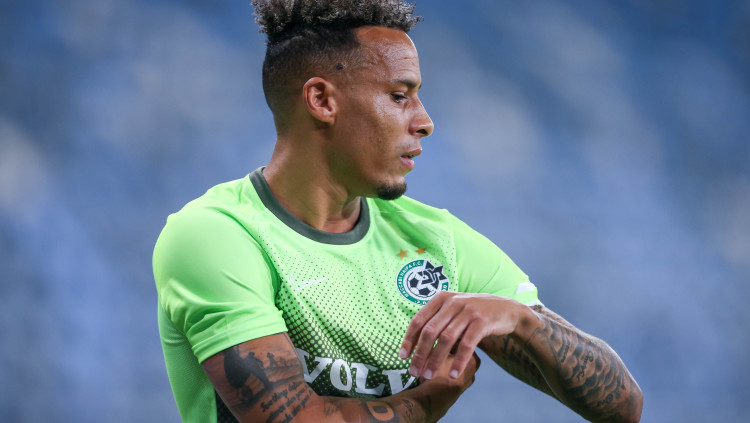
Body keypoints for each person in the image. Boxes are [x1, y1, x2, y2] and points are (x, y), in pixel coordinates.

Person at [152, 1, 644, 422]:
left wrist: (522, 321)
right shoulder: (218, 235)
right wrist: (430, 399)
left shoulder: (436, 240)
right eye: (399, 96)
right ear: (321, 100)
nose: (425, 121)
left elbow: (622, 407)